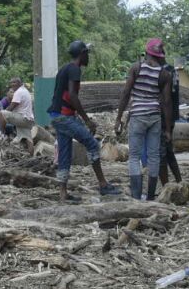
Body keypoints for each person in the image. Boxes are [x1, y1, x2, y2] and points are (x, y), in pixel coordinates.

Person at [49, 41, 119, 201]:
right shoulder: (75, 69)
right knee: (93, 145)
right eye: (87, 53)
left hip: (57, 115)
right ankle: (103, 184)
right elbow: (72, 95)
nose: (88, 57)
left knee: (65, 154)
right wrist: (87, 120)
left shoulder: (64, 68)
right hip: (64, 117)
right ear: (82, 54)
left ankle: (63, 193)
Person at [116, 39, 174, 200]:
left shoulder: (136, 68)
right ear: (160, 55)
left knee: (134, 156)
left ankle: (136, 195)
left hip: (138, 116)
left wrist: (119, 118)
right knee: (154, 156)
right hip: (155, 117)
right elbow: (167, 102)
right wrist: (168, 129)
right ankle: (149, 196)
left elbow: (126, 93)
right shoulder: (165, 74)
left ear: (147, 52)